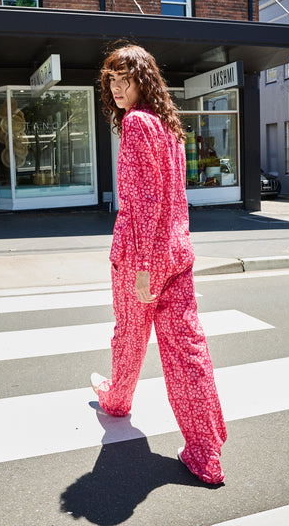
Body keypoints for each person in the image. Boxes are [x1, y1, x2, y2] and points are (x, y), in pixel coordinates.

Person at [90, 44, 227, 485]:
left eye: (122, 79)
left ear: (142, 80)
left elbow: (143, 204)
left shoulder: (135, 124)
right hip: (177, 253)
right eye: (110, 80)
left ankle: (116, 401)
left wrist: (144, 266)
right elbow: (174, 200)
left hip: (141, 258)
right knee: (188, 355)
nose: (115, 88)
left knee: (129, 337)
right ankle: (206, 453)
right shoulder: (169, 127)